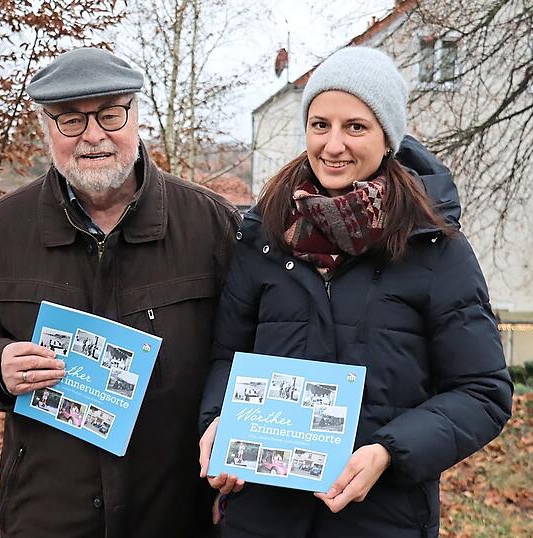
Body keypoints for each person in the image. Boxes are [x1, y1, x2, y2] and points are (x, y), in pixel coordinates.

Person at [197, 47, 513, 538]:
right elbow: (227, 359)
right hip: (263, 520)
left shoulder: (433, 248)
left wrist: (389, 451)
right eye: (320, 124)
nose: (334, 144)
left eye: (356, 127)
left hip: (382, 520)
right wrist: (218, 422)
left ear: (387, 137)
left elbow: (483, 392)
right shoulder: (263, 236)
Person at [0, 47, 239, 537]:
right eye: (71, 121)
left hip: (175, 505)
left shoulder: (210, 225)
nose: (94, 135)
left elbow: (248, 343)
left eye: (109, 114)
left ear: (136, 116)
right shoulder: (2, 229)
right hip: (50, 508)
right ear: (47, 128)